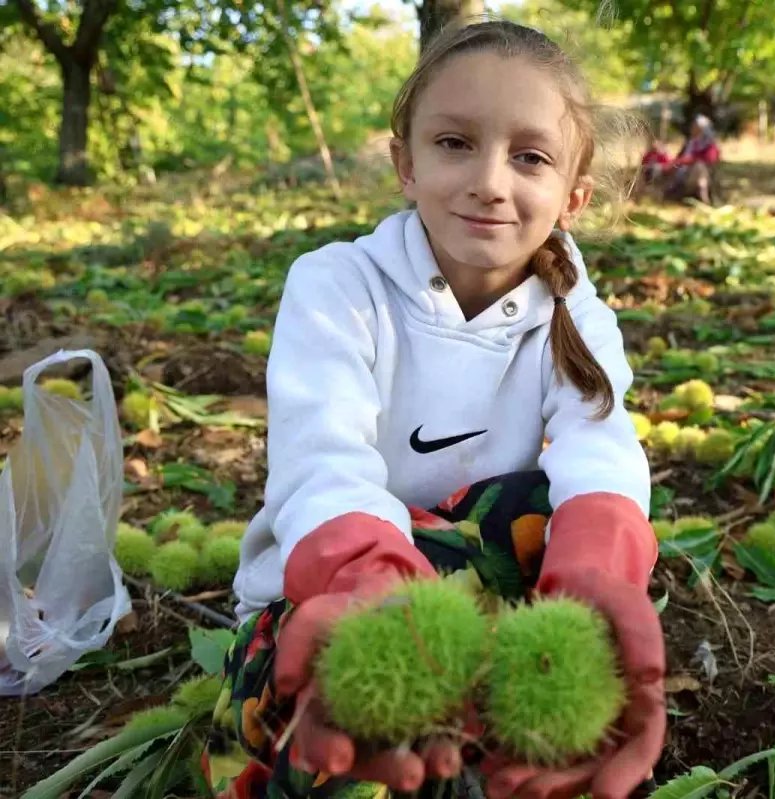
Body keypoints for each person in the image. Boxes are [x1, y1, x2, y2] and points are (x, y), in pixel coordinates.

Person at [201, 20, 665, 799]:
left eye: (530, 157)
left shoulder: (578, 316)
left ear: (574, 197)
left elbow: (602, 448)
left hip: (478, 579)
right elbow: (322, 462)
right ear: (405, 164)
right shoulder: (335, 286)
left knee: (575, 506)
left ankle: (497, 712)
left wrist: (593, 583)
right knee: (311, 751)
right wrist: (371, 582)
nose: (489, 181)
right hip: (337, 582)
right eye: (455, 143)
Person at [663, 114, 720, 204]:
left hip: (700, 173)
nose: (692, 128)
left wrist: (689, 160)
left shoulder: (710, 144)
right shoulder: (689, 142)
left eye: (695, 126)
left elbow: (710, 160)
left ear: (702, 129)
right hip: (683, 170)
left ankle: (703, 197)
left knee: (699, 167)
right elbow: (679, 157)